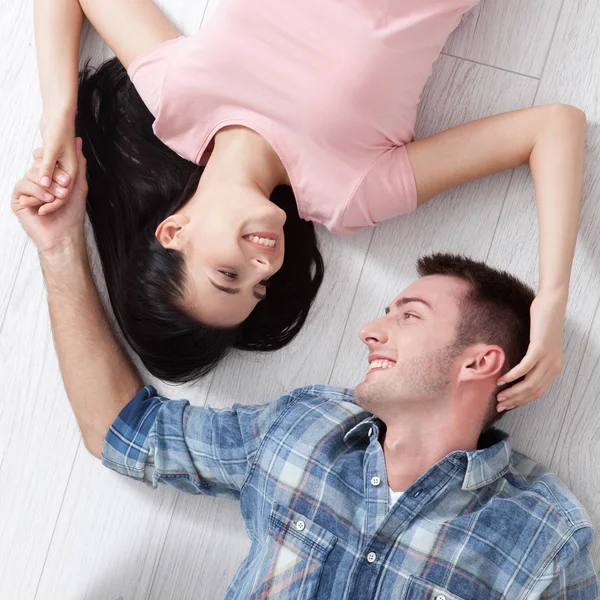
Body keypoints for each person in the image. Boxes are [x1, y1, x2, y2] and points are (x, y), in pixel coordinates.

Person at [11, 149, 599, 598]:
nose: (370, 330)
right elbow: (120, 431)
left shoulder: (544, 533)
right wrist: (59, 246)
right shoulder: (303, 429)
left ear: (480, 362)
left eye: (409, 316)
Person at [31, 1, 585, 400]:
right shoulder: (349, 194)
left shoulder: (175, 101)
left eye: (229, 274)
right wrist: (552, 299)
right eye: (261, 285)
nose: (263, 264)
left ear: (174, 231)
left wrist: (57, 117)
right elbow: (553, 128)